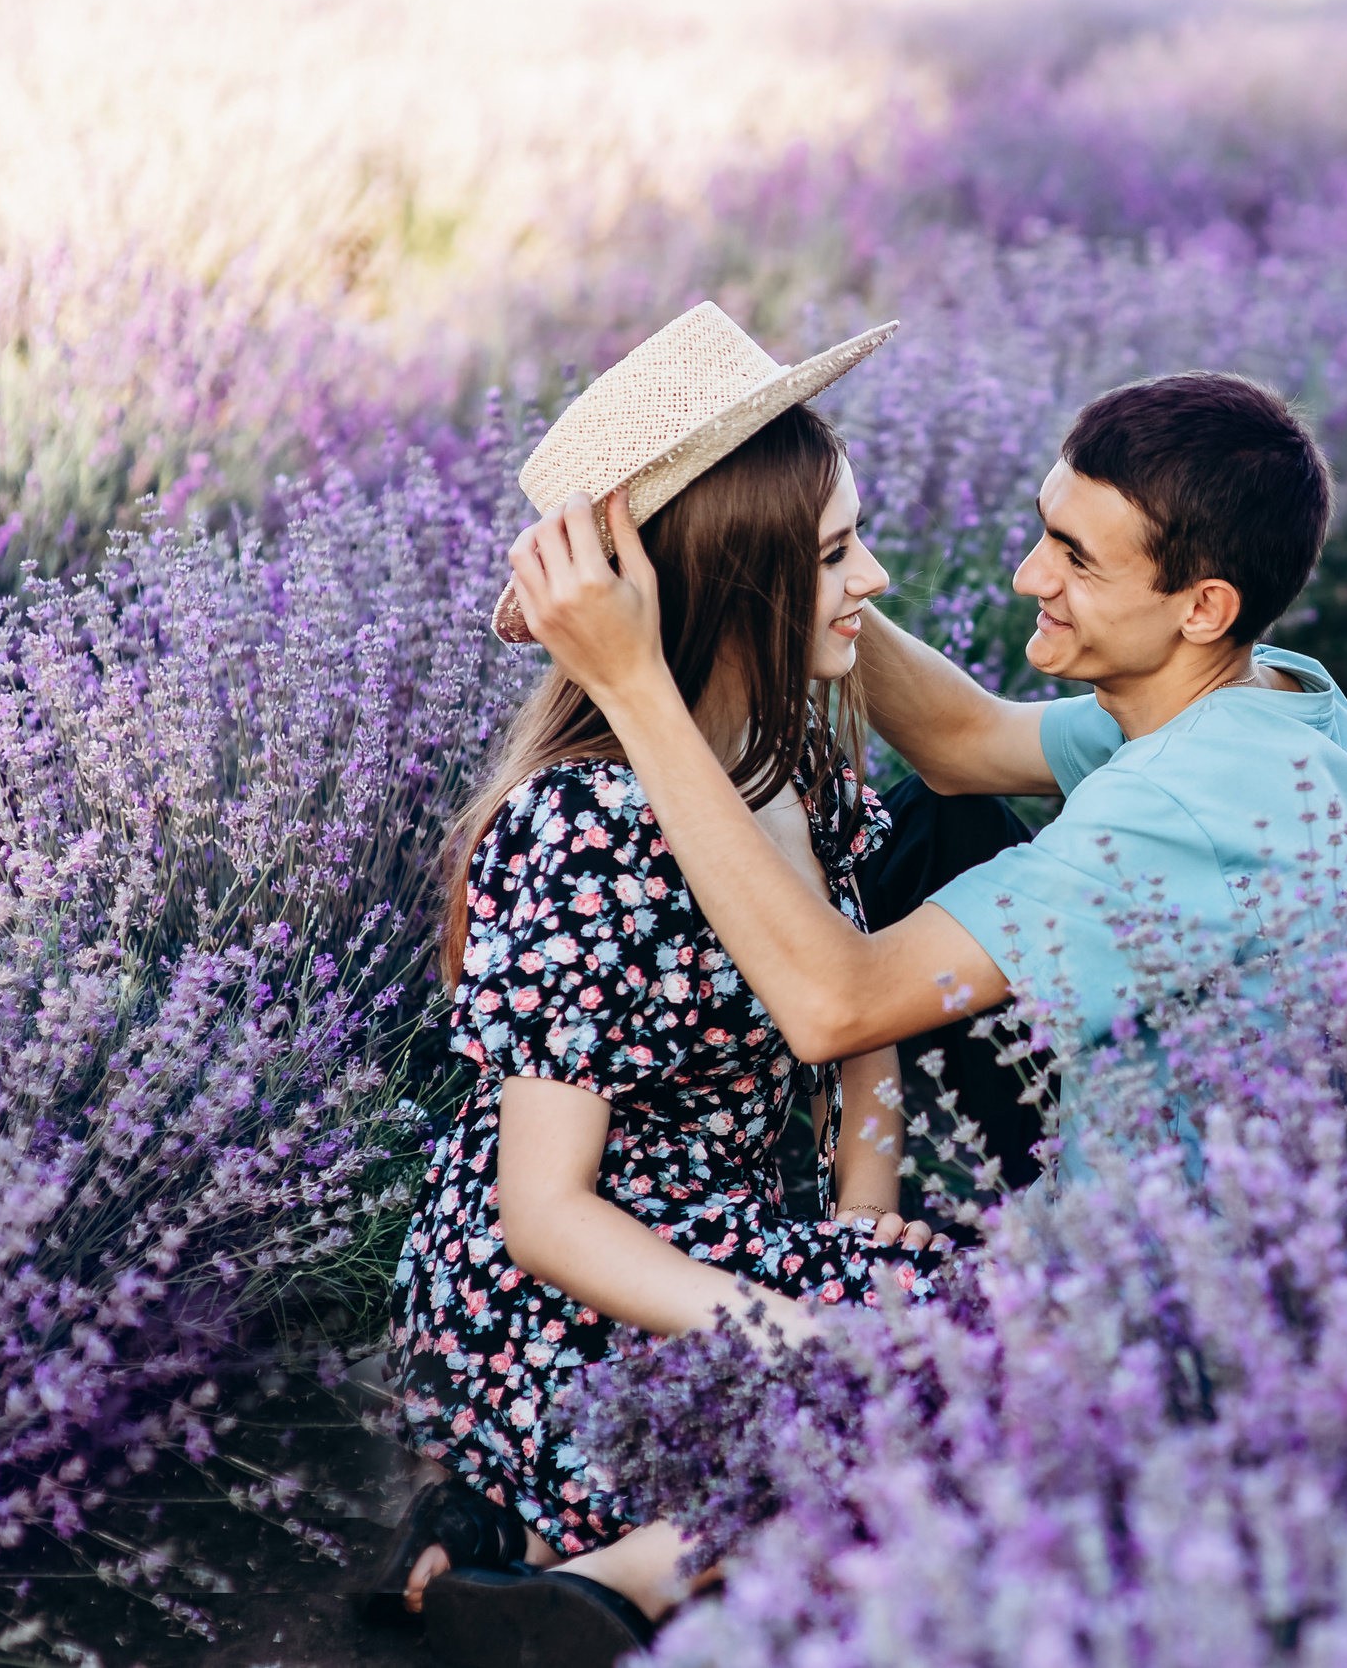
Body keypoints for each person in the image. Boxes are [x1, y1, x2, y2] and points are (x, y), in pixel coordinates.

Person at [364, 308, 947, 1667]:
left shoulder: (809, 765)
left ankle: (501, 1544)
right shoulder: (583, 829)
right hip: (570, 1281)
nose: (874, 579)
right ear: (737, 585)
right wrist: (803, 1329)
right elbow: (545, 1212)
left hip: (727, 1245)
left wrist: (860, 1234)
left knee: (984, 1361)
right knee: (928, 1416)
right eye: (834, 554)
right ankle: (611, 1584)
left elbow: (867, 1042)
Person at [507, 370, 1347, 1168]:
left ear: (1204, 608)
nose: (1024, 576)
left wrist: (633, 680)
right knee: (945, 817)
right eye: (1045, 532)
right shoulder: (1270, 697)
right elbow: (963, 741)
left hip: (1161, 1279)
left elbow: (836, 1004)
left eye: (1077, 560)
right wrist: (765, 568)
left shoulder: (1180, 801)